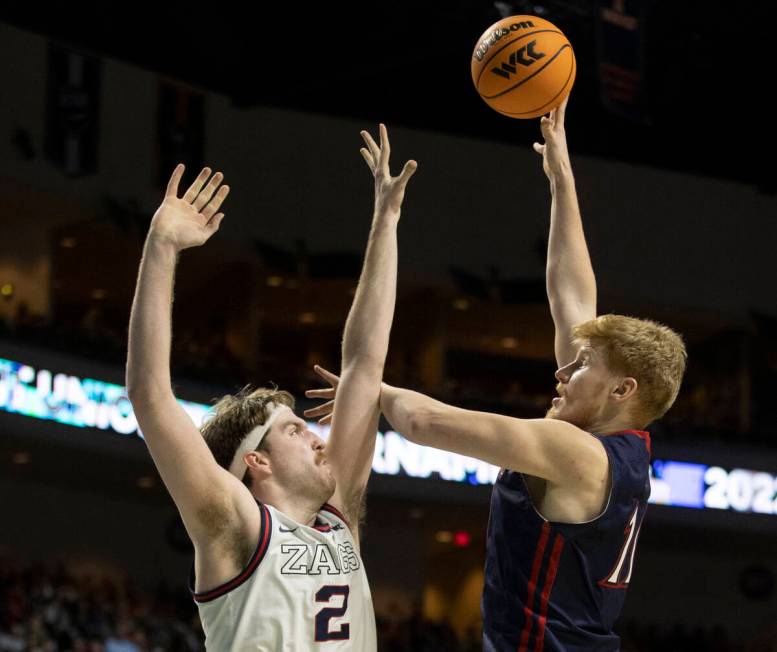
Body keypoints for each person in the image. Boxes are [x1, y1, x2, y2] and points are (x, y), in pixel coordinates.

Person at [306, 97, 687, 651]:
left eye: (582, 367)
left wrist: (375, 388)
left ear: (621, 389)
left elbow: (426, 423)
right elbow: (572, 295)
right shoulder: (619, 449)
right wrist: (561, 179)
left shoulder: (574, 451)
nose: (563, 372)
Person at [126, 124, 416, 651]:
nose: (317, 437)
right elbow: (150, 396)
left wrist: (387, 221)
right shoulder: (234, 525)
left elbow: (364, 364)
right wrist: (163, 246)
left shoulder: (338, 516)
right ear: (255, 462)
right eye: (295, 430)